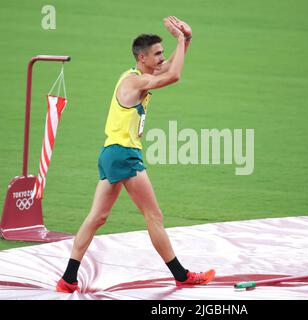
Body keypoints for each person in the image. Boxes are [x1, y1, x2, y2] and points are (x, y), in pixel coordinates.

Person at [56, 16, 215, 293]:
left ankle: (68, 279)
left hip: (110, 153)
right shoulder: (134, 83)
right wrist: (180, 39)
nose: (162, 58)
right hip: (124, 154)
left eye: (163, 53)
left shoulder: (136, 75)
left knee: (97, 217)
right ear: (142, 58)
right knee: (154, 216)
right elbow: (174, 75)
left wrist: (186, 41)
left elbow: (169, 68)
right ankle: (181, 275)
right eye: (157, 54)